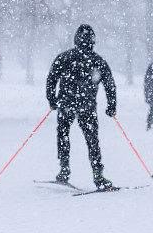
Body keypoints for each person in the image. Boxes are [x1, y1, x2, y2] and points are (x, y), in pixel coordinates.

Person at [46, 24, 116, 189]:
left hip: (66, 104)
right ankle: (98, 175)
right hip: (87, 106)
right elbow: (110, 84)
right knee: (92, 140)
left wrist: (52, 99)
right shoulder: (97, 60)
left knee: (63, 135)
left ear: (76, 39)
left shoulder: (64, 57)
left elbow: (51, 79)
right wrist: (111, 105)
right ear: (92, 40)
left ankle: (64, 170)